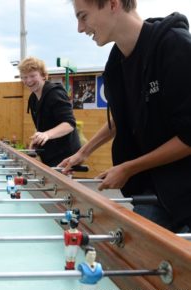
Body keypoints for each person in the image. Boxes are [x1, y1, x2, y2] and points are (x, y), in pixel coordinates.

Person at [61, 0, 191, 232]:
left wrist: (128, 168)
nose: (80, 28)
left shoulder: (175, 47)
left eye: (83, 16)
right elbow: (122, 118)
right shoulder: (116, 61)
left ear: (113, 4)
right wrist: (82, 152)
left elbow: (189, 137)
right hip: (151, 190)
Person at [18, 57, 81, 167]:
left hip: (65, 155)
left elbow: (69, 124)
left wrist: (47, 134)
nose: (28, 80)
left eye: (32, 76)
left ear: (43, 75)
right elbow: (42, 126)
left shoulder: (55, 93)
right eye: (24, 77)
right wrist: (37, 139)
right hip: (49, 154)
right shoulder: (33, 98)